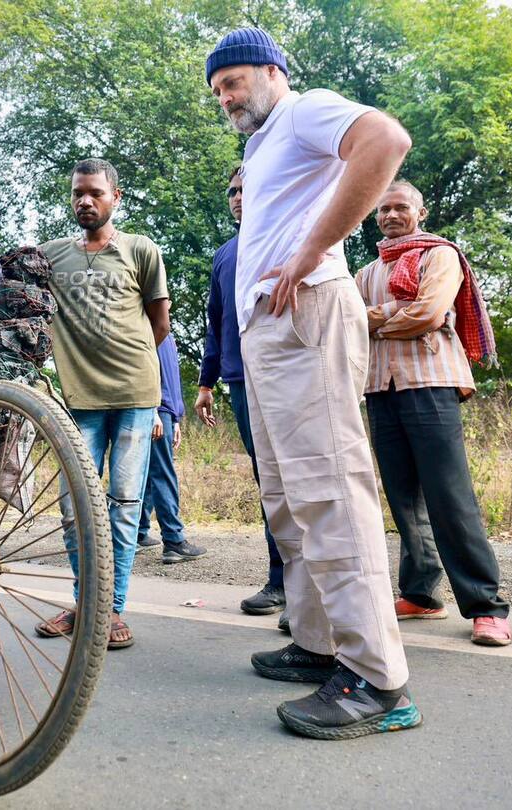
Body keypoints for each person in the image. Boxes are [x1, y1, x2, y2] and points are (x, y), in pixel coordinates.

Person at [207, 27, 420, 739]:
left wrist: (311, 250)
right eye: (217, 91)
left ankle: (376, 679)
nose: (226, 98)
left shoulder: (303, 109)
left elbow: (386, 142)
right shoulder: (261, 144)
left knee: (329, 483)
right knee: (289, 494)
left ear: (272, 70)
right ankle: (322, 642)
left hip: (308, 314)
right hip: (269, 331)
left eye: (233, 82)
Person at [0, 158, 174, 649]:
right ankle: (86, 602)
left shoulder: (141, 251)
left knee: (122, 507)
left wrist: (143, 374)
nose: (85, 201)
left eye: (95, 192)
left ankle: (110, 610)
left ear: (116, 197)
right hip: (79, 401)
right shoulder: (52, 256)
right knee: (76, 509)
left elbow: (160, 324)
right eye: (78, 193)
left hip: (136, 397)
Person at [357, 180, 512, 646]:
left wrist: (378, 320)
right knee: (403, 499)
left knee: (450, 499)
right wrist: (394, 315)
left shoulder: (439, 256)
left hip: (432, 384)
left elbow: (429, 312)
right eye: (382, 209)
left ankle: (487, 606)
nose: (390, 215)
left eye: (400, 207)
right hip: (380, 390)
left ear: (419, 212)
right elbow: (349, 320)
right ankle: (422, 594)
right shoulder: (365, 272)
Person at [195, 165, 286, 616]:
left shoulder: (287, 238)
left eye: (245, 190)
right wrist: (206, 382)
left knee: (302, 479)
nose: (236, 197)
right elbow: (216, 322)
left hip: (287, 371)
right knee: (269, 480)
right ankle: (280, 580)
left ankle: (320, 593)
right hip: (240, 379)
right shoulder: (225, 254)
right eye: (231, 191)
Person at [139, 332, 207, 563]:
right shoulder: (149, 327)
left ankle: (137, 532)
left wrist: (176, 418)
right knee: (163, 473)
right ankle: (174, 540)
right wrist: (154, 410)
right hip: (155, 409)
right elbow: (144, 372)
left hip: (166, 411)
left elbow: (171, 379)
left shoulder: (168, 336)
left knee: (150, 473)